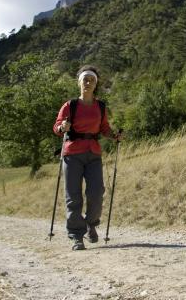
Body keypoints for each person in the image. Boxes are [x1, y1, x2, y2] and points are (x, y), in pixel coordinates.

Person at [53, 65, 122, 251]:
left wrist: (114, 136)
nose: (88, 83)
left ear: (96, 84)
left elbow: (104, 128)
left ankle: (91, 225)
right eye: (85, 79)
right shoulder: (70, 106)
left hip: (93, 153)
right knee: (73, 196)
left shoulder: (100, 106)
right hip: (72, 154)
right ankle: (76, 235)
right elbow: (57, 127)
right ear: (79, 83)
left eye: (91, 80)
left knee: (96, 192)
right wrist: (62, 128)